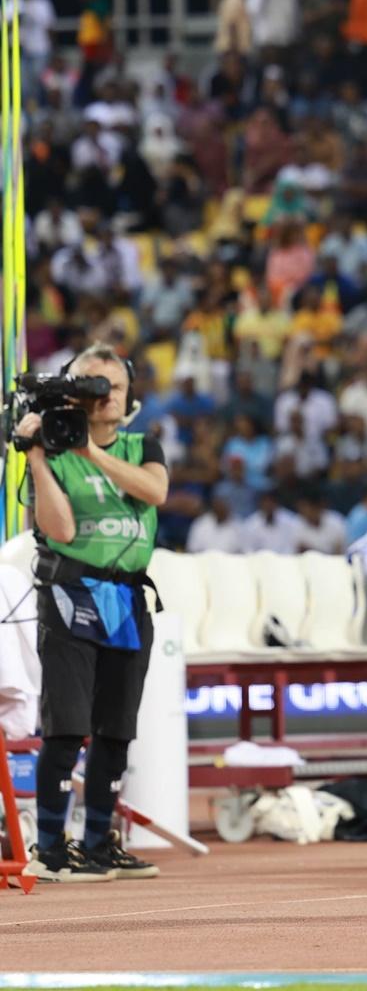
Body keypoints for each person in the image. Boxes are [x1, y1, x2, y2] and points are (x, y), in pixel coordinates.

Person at [15, 344, 169, 882]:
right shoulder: (50, 453)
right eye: (91, 387)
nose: (103, 399)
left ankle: (100, 842)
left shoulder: (140, 445)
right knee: (67, 726)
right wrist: (37, 455)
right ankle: (53, 849)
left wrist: (88, 452)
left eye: (114, 389)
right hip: (69, 593)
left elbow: (154, 491)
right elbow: (60, 531)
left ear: (129, 399)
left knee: (115, 729)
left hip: (126, 598)